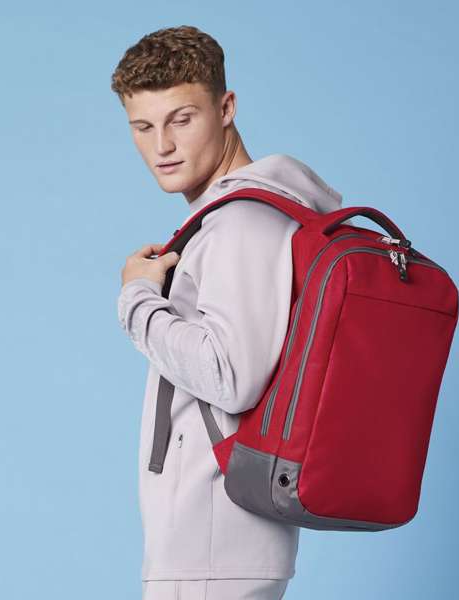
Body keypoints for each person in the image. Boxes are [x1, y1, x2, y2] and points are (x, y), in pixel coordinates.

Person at [111, 24, 349, 600]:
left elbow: (231, 376)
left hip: (211, 541)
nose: (162, 146)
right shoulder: (241, 216)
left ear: (226, 108)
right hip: (218, 540)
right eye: (143, 127)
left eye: (181, 119)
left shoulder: (240, 222)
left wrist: (136, 299)